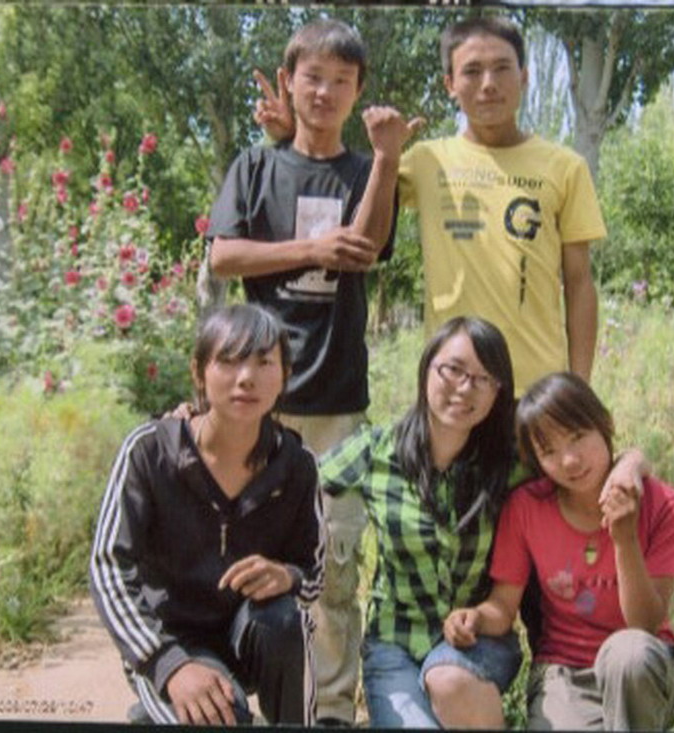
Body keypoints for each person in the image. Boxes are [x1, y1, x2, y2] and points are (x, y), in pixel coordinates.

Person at [207, 19, 422, 726]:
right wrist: (309, 248)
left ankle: (330, 708)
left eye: (341, 81)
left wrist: (386, 158)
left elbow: (369, 246)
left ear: (358, 91)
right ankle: (232, 695)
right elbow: (223, 256)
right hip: (255, 404)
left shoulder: (366, 171)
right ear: (289, 81)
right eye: (313, 77)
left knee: (332, 565)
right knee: (242, 554)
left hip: (337, 400)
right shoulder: (256, 166)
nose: (325, 91)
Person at [255, 15, 605, 397]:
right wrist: (296, 134)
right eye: (472, 71)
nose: (488, 84)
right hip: (452, 387)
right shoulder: (425, 161)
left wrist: (580, 387)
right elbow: (346, 177)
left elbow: (579, 283)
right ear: (450, 85)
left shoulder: (565, 168)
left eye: (502, 68)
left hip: (538, 388)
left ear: (524, 76)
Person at [90, 304, 325, 726]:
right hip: (170, 639)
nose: (246, 377)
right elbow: (107, 567)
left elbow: (313, 575)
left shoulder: (296, 465)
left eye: (264, 362)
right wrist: (167, 664)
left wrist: (287, 576)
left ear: (286, 375)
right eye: (229, 360)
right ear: (199, 372)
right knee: (221, 716)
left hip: (250, 636)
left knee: (287, 619)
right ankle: (163, 707)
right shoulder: (149, 452)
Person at [444, 372, 674, 730]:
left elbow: (646, 625)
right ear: (536, 460)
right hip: (565, 674)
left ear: (604, 423)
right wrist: (474, 618)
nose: (570, 460)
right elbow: (503, 606)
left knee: (627, 654)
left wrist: (624, 539)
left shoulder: (664, 505)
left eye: (577, 437)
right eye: (549, 452)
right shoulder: (526, 508)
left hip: (645, 672)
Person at [317, 316, 521, 729]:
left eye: (482, 379)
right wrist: (195, 423)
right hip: (394, 644)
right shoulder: (377, 451)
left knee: (448, 680)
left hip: (478, 642)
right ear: (427, 367)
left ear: (498, 391)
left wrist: (632, 464)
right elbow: (295, 479)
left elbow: (583, 469)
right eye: (453, 369)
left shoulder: (507, 464)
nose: (464, 388)